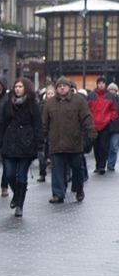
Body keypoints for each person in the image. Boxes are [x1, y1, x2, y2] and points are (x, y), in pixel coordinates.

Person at [42, 76, 97, 204]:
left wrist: (91, 132)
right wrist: (42, 138)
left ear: (69, 88)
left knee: (77, 169)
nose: (62, 88)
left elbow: (86, 118)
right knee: (57, 170)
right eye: (59, 86)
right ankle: (58, 194)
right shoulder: (50, 103)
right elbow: (44, 122)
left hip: (74, 142)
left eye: (64, 86)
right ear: (56, 89)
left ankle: (78, 189)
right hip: (56, 142)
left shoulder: (79, 101)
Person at [0, 78, 44, 217]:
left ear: (26, 88)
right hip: (10, 142)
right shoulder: (8, 104)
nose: (17, 89)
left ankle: (20, 205)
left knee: (22, 174)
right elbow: (2, 123)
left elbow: (38, 125)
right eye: (16, 86)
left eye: (20, 87)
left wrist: (39, 144)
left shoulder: (32, 104)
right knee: (9, 173)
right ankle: (16, 194)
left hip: (26, 144)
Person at [87, 76, 117, 174]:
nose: (101, 85)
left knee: (103, 146)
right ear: (97, 84)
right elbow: (87, 109)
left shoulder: (110, 96)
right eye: (99, 83)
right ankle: (98, 164)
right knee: (96, 146)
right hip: (94, 124)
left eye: (103, 83)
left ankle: (102, 166)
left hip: (105, 125)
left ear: (105, 85)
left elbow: (114, 109)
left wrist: (110, 119)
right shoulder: (91, 95)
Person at [37, 84, 55, 182]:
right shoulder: (41, 105)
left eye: (52, 93)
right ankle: (42, 173)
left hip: (53, 132)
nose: (50, 95)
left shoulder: (58, 104)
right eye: (49, 93)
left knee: (52, 153)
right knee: (41, 155)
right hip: (43, 132)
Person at [106, 82, 119, 171]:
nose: (112, 91)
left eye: (114, 90)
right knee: (105, 146)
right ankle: (103, 162)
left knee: (114, 147)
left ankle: (111, 164)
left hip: (116, 128)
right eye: (110, 89)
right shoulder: (105, 99)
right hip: (105, 126)